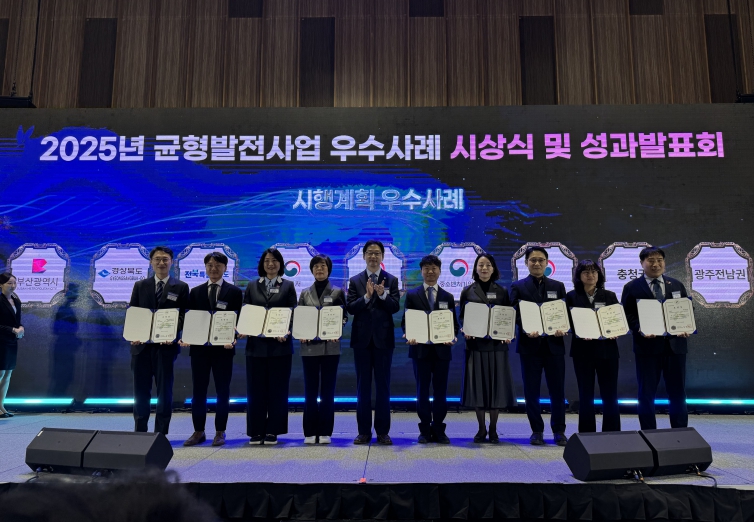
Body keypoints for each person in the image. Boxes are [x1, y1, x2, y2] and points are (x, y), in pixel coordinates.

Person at [620, 246, 691, 430]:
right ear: (642, 263)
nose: (656, 264)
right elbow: (626, 315)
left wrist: (686, 326)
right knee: (646, 393)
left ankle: (680, 431)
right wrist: (640, 328)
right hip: (647, 347)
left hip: (675, 347)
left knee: (677, 392)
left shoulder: (676, 285)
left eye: (659, 260)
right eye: (650, 260)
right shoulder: (632, 287)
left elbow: (686, 311)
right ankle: (648, 432)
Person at [181, 252, 243, 447]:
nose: (213, 268)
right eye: (209, 265)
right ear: (205, 268)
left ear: (225, 268)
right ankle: (198, 431)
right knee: (198, 391)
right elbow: (190, 319)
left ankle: (220, 431)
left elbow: (238, 320)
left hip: (223, 349)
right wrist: (187, 337)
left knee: (222, 391)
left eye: (218, 265)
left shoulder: (234, 292)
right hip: (199, 350)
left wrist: (233, 338)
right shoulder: (195, 292)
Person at [509, 246, 569, 446]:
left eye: (541, 260)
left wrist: (562, 328)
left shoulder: (558, 286)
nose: (537, 263)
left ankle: (559, 430)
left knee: (557, 391)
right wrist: (526, 327)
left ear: (547, 262)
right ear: (526, 263)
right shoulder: (517, 286)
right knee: (531, 391)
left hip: (554, 346)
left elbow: (563, 313)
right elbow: (514, 314)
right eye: (533, 260)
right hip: (530, 346)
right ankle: (536, 430)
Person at [127, 246, 189, 434]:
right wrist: (134, 334)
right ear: (151, 262)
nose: (161, 263)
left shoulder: (181, 287)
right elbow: (134, 313)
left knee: (165, 392)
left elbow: (183, 316)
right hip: (141, 348)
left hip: (166, 348)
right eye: (157, 259)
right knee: (140, 392)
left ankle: (161, 433)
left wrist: (171, 333)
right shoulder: (140, 285)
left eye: (165, 259)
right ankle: (140, 433)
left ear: (172, 262)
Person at [345, 240, 401, 445]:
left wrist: (382, 294)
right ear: (364, 256)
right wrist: (367, 297)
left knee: (383, 387)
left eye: (377, 253)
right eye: (370, 253)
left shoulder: (391, 280)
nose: (373, 256)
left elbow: (395, 307)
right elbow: (351, 308)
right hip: (362, 341)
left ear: (382, 257)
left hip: (384, 341)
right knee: (363, 388)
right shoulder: (355, 280)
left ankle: (383, 432)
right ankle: (363, 432)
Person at [242, 248, 297, 445]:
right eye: (267, 261)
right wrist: (244, 328)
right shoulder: (252, 285)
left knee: (278, 390)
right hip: (255, 347)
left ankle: (273, 430)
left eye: (274, 260)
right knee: (255, 390)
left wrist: (287, 331)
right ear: (262, 264)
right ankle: (256, 431)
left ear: (280, 264)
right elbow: (246, 311)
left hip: (279, 347)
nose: (271, 264)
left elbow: (293, 313)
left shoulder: (288, 285)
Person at [459, 253, 516, 443]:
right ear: (475, 268)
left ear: (493, 269)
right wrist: (465, 329)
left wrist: (509, 333)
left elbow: (509, 316)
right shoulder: (467, 291)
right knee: (479, 388)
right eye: (481, 265)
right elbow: (462, 317)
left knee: (495, 388)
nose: (484, 268)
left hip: (497, 346)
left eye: (488, 265)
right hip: (475, 346)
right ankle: (481, 428)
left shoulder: (502, 291)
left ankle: (493, 429)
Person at [402, 255, 459, 444]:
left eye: (434, 268)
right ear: (421, 271)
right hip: (420, 350)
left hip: (442, 351)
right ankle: (425, 430)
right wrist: (408, 334)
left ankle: (440, 429)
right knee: (422, 391)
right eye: (426, 268)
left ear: (440, 271)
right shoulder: (412, 295)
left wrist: (453, 336)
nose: (430, 272)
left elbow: (454, 324)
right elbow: (406, 322)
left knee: (441, 391)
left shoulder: (447, 297)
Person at [565, 260, 621, 433]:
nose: (591, 275)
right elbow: (567, 321)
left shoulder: (610, 296)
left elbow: (617, 319)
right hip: (582, 351)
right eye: (586, 272)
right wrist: (578, 331)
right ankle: (587, 433)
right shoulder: (571, 297)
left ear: (599, 275)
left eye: (594, 272)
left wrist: (616, 330)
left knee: (610, 393)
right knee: (585, 393)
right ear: (579, 276)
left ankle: (612, 432)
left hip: (607, 351)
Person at [297, 254, 347, 444]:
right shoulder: (304, 293)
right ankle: (309, 432)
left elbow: (343, 317)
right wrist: (301, 332)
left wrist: (338, 330)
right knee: (310, 391)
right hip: (309, 347)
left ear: (329, 269)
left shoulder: (337, 291)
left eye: (323, 266)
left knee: (327, 391)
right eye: (316, 266)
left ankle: (325, 431)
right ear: (311, 270)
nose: (319, 269)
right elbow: (300, 316)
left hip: (330, 347)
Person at [0, 273, 22, 419]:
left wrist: (21, 327)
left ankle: (1, 405)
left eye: (14, 282)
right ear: (1, 285)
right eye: (9, 283)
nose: (13, 286)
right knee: (0, 373)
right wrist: (12, 330)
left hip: (12, 341)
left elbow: (17, 321)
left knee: (8, 374)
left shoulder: (16, 300)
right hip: (1, 340)